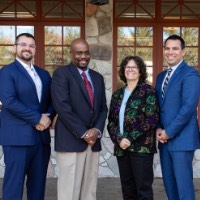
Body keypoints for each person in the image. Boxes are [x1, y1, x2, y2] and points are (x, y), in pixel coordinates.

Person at [51, 38, 108, 200]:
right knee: (69, 190)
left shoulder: (97, 77)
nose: (83, 56)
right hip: (71, 141)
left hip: (92, 142)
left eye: (86, 52)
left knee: (89, 190)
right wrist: (84, 132)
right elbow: (62, 107)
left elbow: (103, 108)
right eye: (79, 53)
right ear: (71, 54)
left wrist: (96, 130)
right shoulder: (61, 74)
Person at [0, 33, 55, 200]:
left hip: (41, 139)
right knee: (13, 187)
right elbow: (9, 101)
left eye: (31, 45)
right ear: (15, 48)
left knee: (38, 186)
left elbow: (53, 101)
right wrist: (38, 118)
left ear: (35, 50)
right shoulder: (6, 72)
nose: (27, 48)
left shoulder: (44, 74)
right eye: (23, 44)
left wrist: (47, 118)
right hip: (17, 139)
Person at [107, 55, 159, 200]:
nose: (130, 69)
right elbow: (111, 122)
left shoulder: (148, 91)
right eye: (127, 67)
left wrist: (128, 138)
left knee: (143, 190)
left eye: (134, 67)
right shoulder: (117, 94)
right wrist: (119, 139)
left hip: (141, 148)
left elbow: (151, 119)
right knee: (127, 190)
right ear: (123, 70)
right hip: (122, 149)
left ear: (140, 71)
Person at [155, 34, 200, 200]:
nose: (170, 52)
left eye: (175, 48)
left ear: (183, 51)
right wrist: (159, 128)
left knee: (183, 187)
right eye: (167, 48)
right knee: (169, 183)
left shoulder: (190, 74)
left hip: (182, 139)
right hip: (164, 140)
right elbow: (160, 107)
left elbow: (188, 108)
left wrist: (169, 132)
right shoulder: (160, 77)